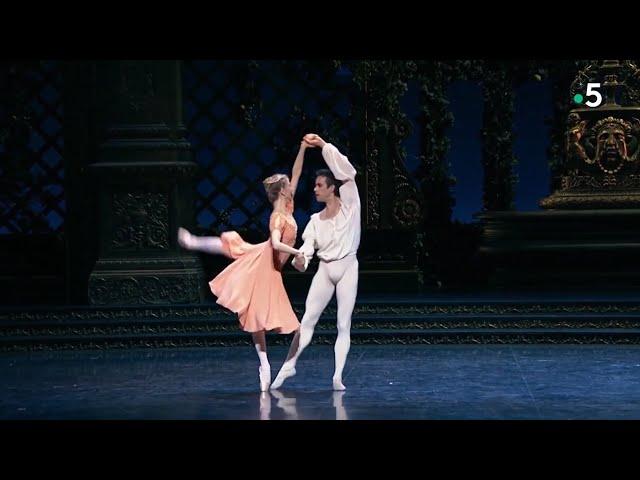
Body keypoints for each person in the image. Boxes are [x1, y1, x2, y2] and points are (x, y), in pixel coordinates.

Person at [178, 139, 311, 391]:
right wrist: (297, 251)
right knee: (235, 253)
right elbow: (275, 242)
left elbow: (297, 172)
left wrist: (303, 147)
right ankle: (265, 365)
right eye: (288, 185)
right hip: (265, 263)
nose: (291, 186)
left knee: (261, 312)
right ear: (283, 192)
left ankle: (275, 366)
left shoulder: (289, 204)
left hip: (271, 268)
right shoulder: (277, 216)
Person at [271, 133, 360, 391]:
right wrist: (301, 259)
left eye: (320, 185)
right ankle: (289, 365)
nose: (315, 189)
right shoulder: (315, 220)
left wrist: (322, 146)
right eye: (315, 185)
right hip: (326, 269)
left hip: (347, 267)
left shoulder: (351, 205)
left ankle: (337, 376)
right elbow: (307, 249)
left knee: (343, 323)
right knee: (308, 319)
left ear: (332, 187)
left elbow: (347, 170)